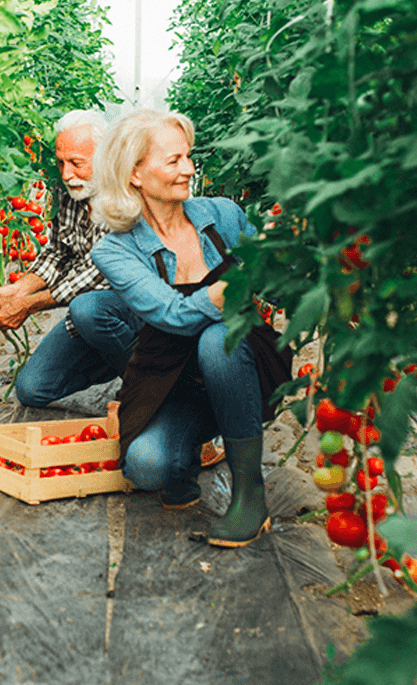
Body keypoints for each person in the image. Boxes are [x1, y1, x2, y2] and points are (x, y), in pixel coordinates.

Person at [89, 110, 292, 548]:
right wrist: (240, 280)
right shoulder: (116, 250)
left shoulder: (223, 216)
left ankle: (249, 496)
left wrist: (290, 244)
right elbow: (174, 316)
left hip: (243, 358)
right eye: (174, 160)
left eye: (188, 157)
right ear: (135, 174)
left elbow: (277, 275)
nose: (188, 169)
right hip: (172, 379)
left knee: (219, 339)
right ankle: (206, 439)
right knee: (146, 467)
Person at [0, 110, 144, 408]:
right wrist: (21, 289)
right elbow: (57, 252)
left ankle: (157, 387)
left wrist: (29, 304)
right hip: (98, 318)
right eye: (61, 162)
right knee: (32, 388)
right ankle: (118, 359)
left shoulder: (127, 195)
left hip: (139, 313)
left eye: (77, 163)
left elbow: (99, 272)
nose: (67, 173)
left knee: (87, 309)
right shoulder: (69, 194)